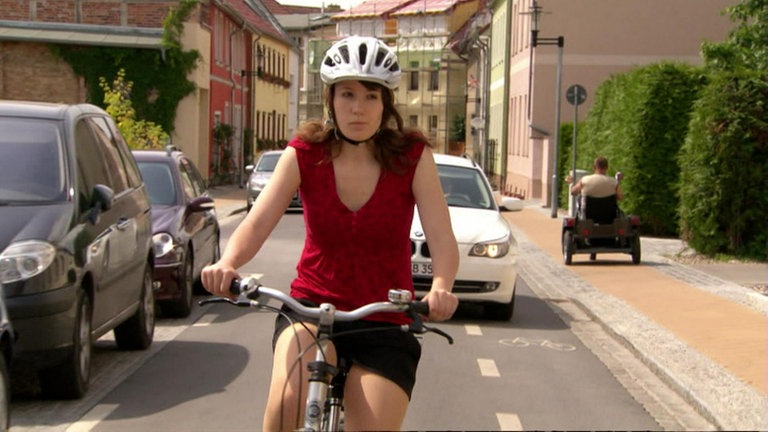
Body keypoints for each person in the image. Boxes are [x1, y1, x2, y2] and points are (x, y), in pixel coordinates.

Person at [201, 35, 459, 432]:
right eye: (347, 94)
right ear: (331, 99)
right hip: (310, 310)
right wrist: (228, 263)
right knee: (286, 409)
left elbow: (441, 237)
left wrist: (441, 286)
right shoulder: (305, 154)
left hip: (385, 319)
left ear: (386, 103)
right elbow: (256, 222)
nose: (358, 107)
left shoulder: (411, 157)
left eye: (371, 96)